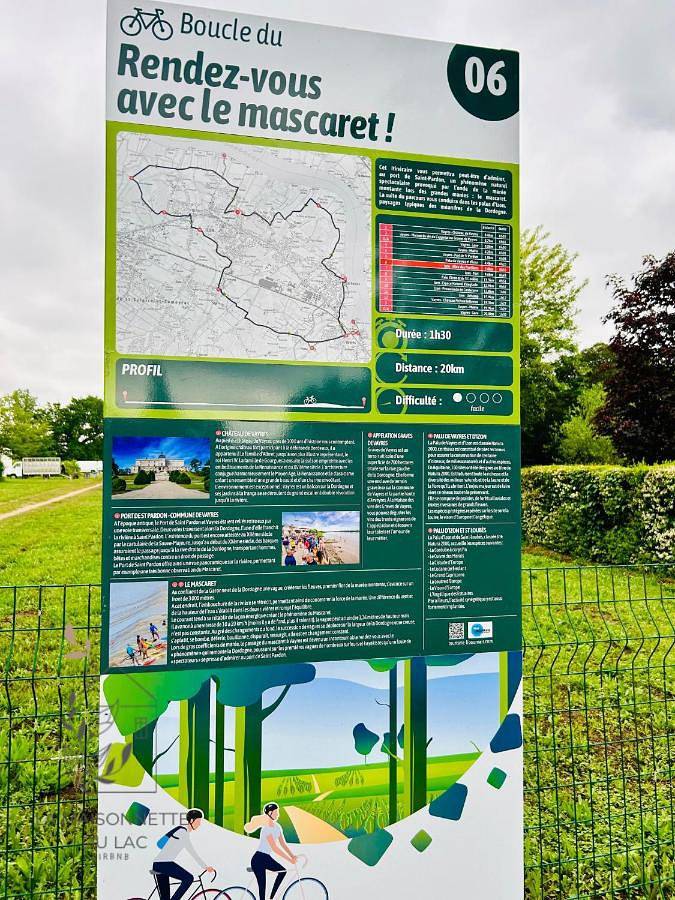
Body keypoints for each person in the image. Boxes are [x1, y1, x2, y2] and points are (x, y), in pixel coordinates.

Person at [152, 808, 214, 900]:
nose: (199, 824)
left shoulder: (183, 832)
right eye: (198, 822)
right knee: (188, 878)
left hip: (159, 864)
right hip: (163, 864)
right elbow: (193, 853)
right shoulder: (182, 833)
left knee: (165, 898)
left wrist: (205, 866)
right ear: (191, 821)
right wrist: (205, 867)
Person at [245, 803, 297, 900]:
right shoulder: (266, 829)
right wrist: (289, 860)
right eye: (276, 812)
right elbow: (274, 848)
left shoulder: (277, 827)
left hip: (266, 858)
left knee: (282, 872)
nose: (278, 814)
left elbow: (283, 844)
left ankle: (271, 897)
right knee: (262, 886)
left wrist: (292, 855)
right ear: (270, 813)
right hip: (259, 859)